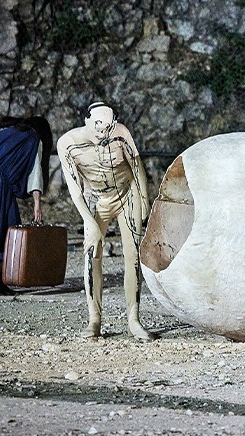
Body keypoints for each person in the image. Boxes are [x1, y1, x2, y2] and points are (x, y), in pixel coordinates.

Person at [57, 102, 156, 340]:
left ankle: (134, 319)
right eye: (99, 127)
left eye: (108, 128)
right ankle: (94, 320)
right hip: (96, 198)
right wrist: (87, 220)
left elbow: (136, 166)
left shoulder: (120, 134)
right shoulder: (67, 144)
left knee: (133, 255)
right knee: (92, 254)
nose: (103, 133)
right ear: (87, 121)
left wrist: (144, 201)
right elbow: (75, 188)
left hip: (126, 192)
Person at [0, 116, 53, 296]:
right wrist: (37, 204)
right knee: (5, 230)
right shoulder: (32, 137)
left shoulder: (5, 131)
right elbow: (35, 172)